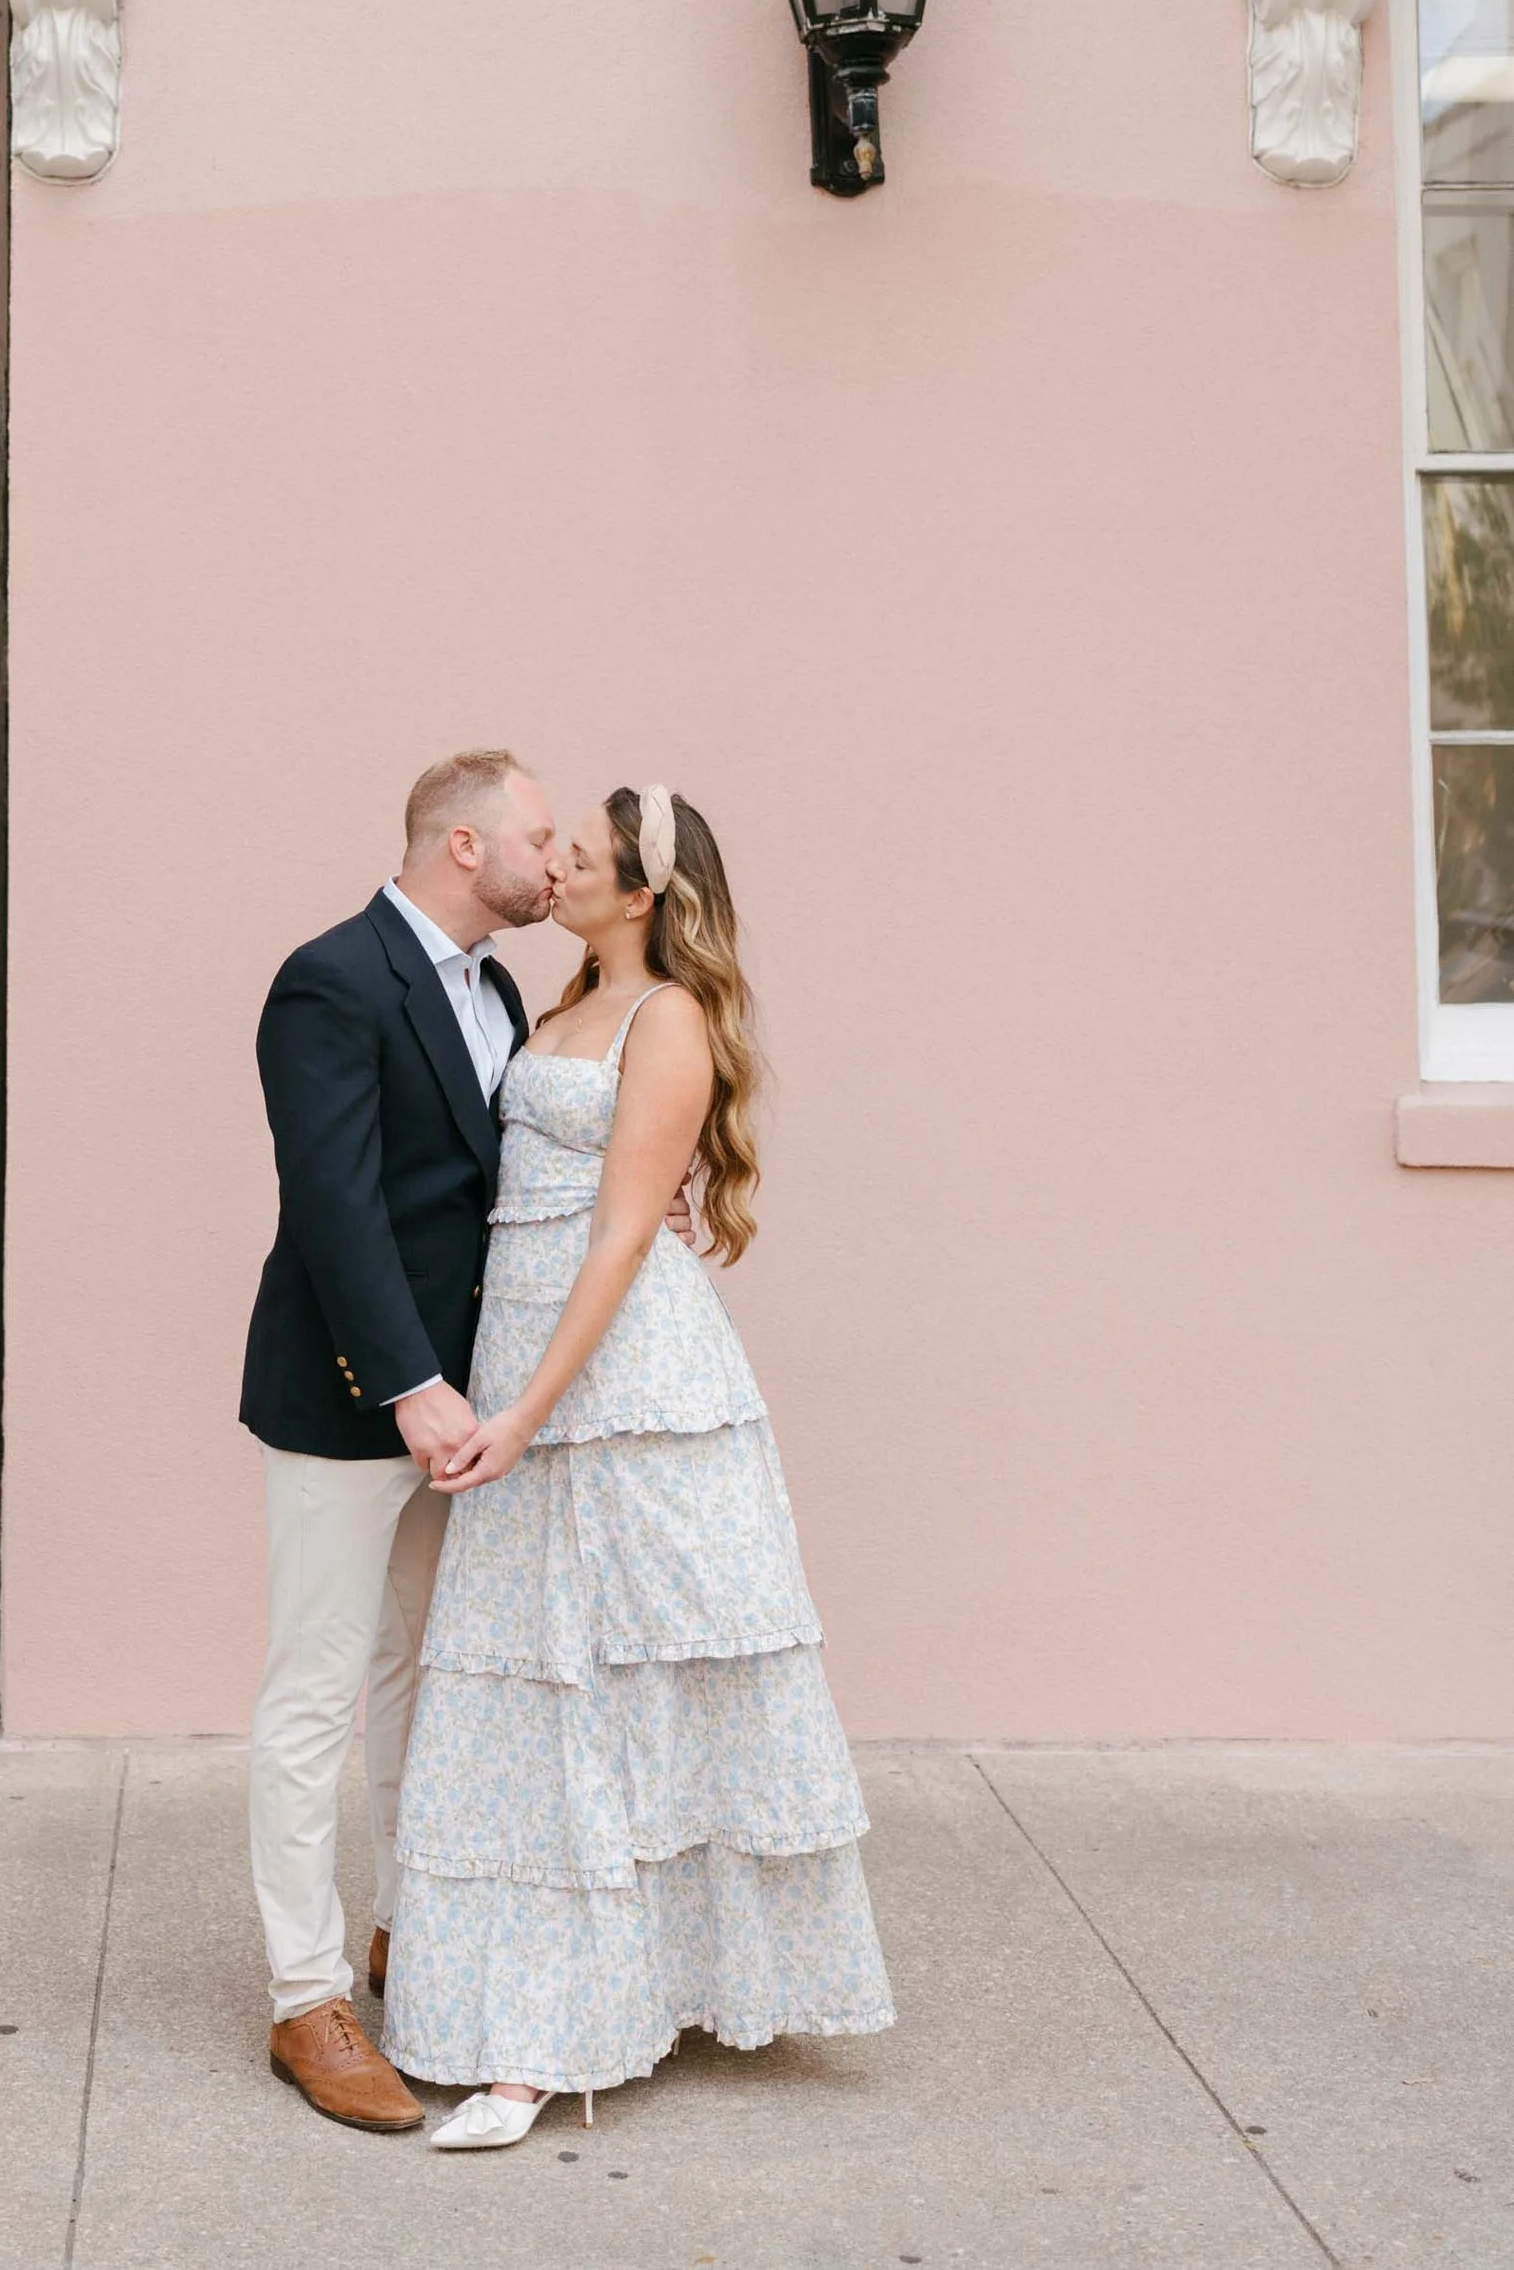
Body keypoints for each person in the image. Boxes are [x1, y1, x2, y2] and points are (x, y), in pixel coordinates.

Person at [380, 782, 892, 2149]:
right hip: (521, 1368)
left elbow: (617, 1238)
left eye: (583, 857)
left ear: (645, 892)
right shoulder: (552, 1006)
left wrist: (530, 1409)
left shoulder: (669, 1019)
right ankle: (533, 1998)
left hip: (615, 1384)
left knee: (618, 1689)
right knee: (530, 1696)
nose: (555, 866)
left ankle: (561, 2030)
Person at [238, 749, 555, 2131]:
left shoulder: (501, 987)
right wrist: (409, 1383)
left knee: (423, 1673)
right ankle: (306, 1997)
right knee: (318, 1690)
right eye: (542, 834)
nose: (562, 857)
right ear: (467, 845)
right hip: (349, 1398)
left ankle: (402, 1939)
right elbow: (334, 1204)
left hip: (463, 1412)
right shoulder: (330, 977)